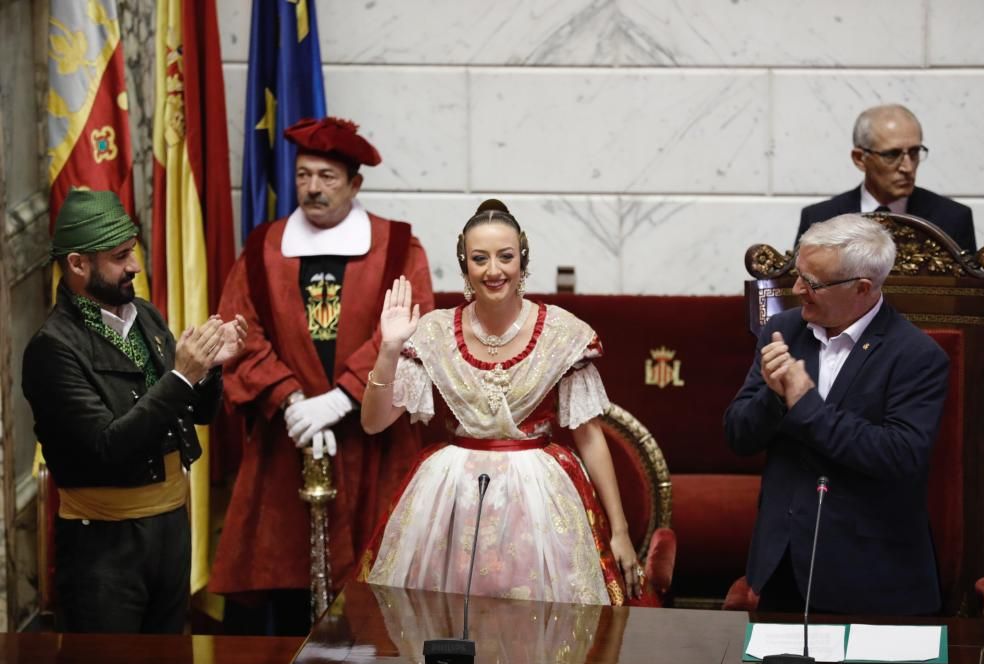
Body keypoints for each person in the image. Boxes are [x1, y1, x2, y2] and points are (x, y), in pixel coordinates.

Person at [209, 116, 434, 634]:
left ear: (355, 184)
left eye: (327, 177)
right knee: (290, 591)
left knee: (376, 595)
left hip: (370, 441)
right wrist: (292, 402)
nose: (312, 187)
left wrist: (341, 399)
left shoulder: (397, 246)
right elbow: (239, 331)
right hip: (289, 443)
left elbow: (413, 324)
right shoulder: (265, 246)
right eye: (304, 174)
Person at [357, 199, 642, 605]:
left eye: (505, 257)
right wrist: (388, 349)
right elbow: (373, 422)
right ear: (465, 266)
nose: (494, 270)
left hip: (540, 504)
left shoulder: (563, 333)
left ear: (522, 261)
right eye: (480, 258)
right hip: (452, 501)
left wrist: (620, 529)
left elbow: (590, 437)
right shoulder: (434, 332)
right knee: (447, 621)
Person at [22, 189, 247, 633]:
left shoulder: (143, 315)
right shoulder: (52, 349)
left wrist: (207, 371)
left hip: (169, 530)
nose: (135, 267)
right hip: (103, 547)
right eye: (120, 256)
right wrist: (181, 377)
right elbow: (108, 447)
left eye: (134, 252)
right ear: (78, 264)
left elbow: (196, 416)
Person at [726, 214, 949, 615]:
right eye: (799, 275)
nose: (797, 290)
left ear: (862, 288)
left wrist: (803, 400)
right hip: (783, 568)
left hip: (873, 578)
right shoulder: (783, 330)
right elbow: (738, 437)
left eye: (812, 283)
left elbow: (898, 455)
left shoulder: (917, 356)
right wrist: (774, 399)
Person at [796, 104, 977, 254]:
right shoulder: (821, 218)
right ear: (860, 159)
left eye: (914, 152)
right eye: (892, 154)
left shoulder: (952, 219)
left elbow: (970, 295)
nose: (907, 167)